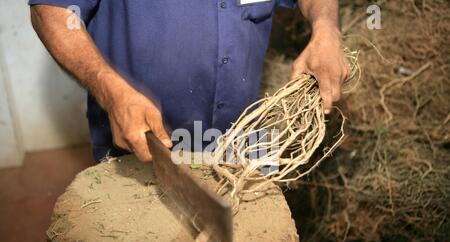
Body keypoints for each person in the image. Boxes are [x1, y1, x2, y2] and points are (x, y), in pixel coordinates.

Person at [29, 0, 349, 162]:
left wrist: (326, 27)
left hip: (243, 143)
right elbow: (52, 12)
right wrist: (110, 91)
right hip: (140, 145)